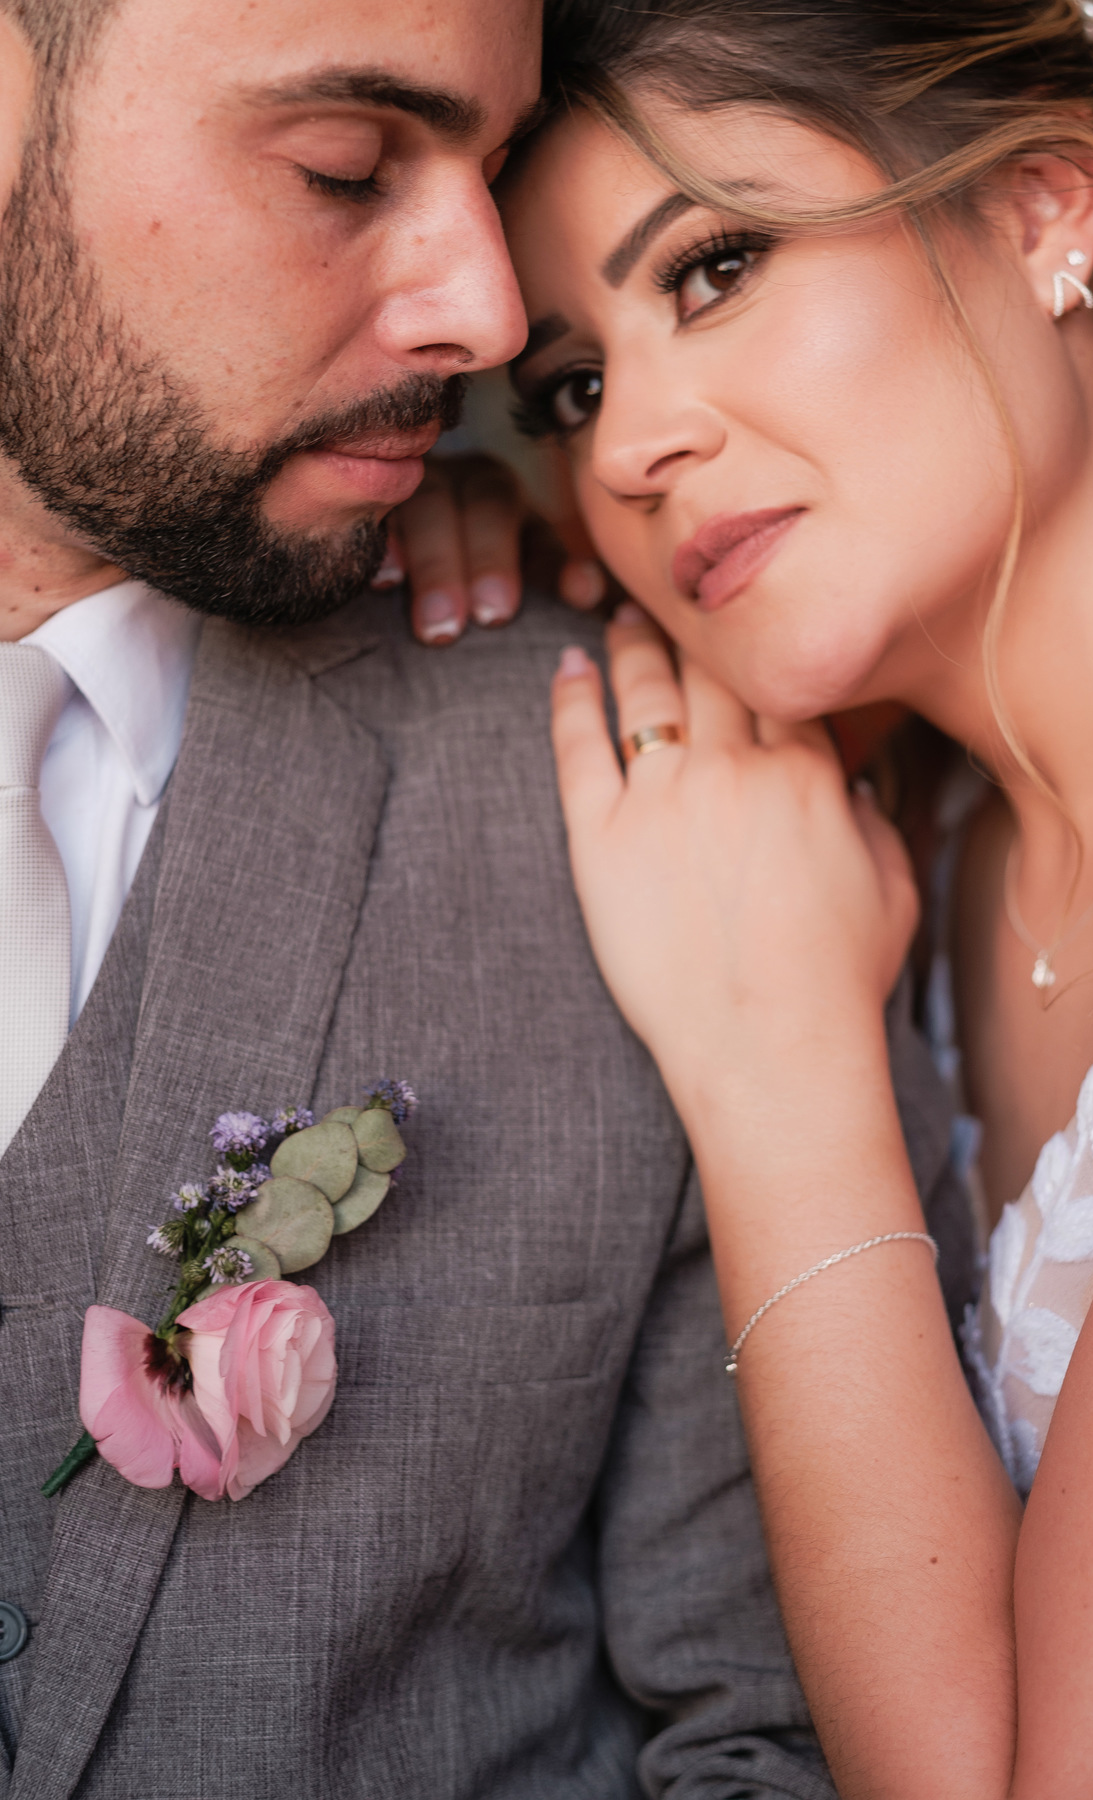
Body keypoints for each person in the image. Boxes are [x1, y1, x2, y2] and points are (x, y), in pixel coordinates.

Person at [0, 1, 970, 1796]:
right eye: (345, 167)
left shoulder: (639, 800)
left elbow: (778, 1739)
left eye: (492, 173)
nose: (496, 318)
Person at [494, 0, 1093, 1794]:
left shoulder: (798, 943)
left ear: (1044, 205)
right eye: (570, 388)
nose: (631, 446)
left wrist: (779, 1075)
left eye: (716, 267)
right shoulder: (902, 829)